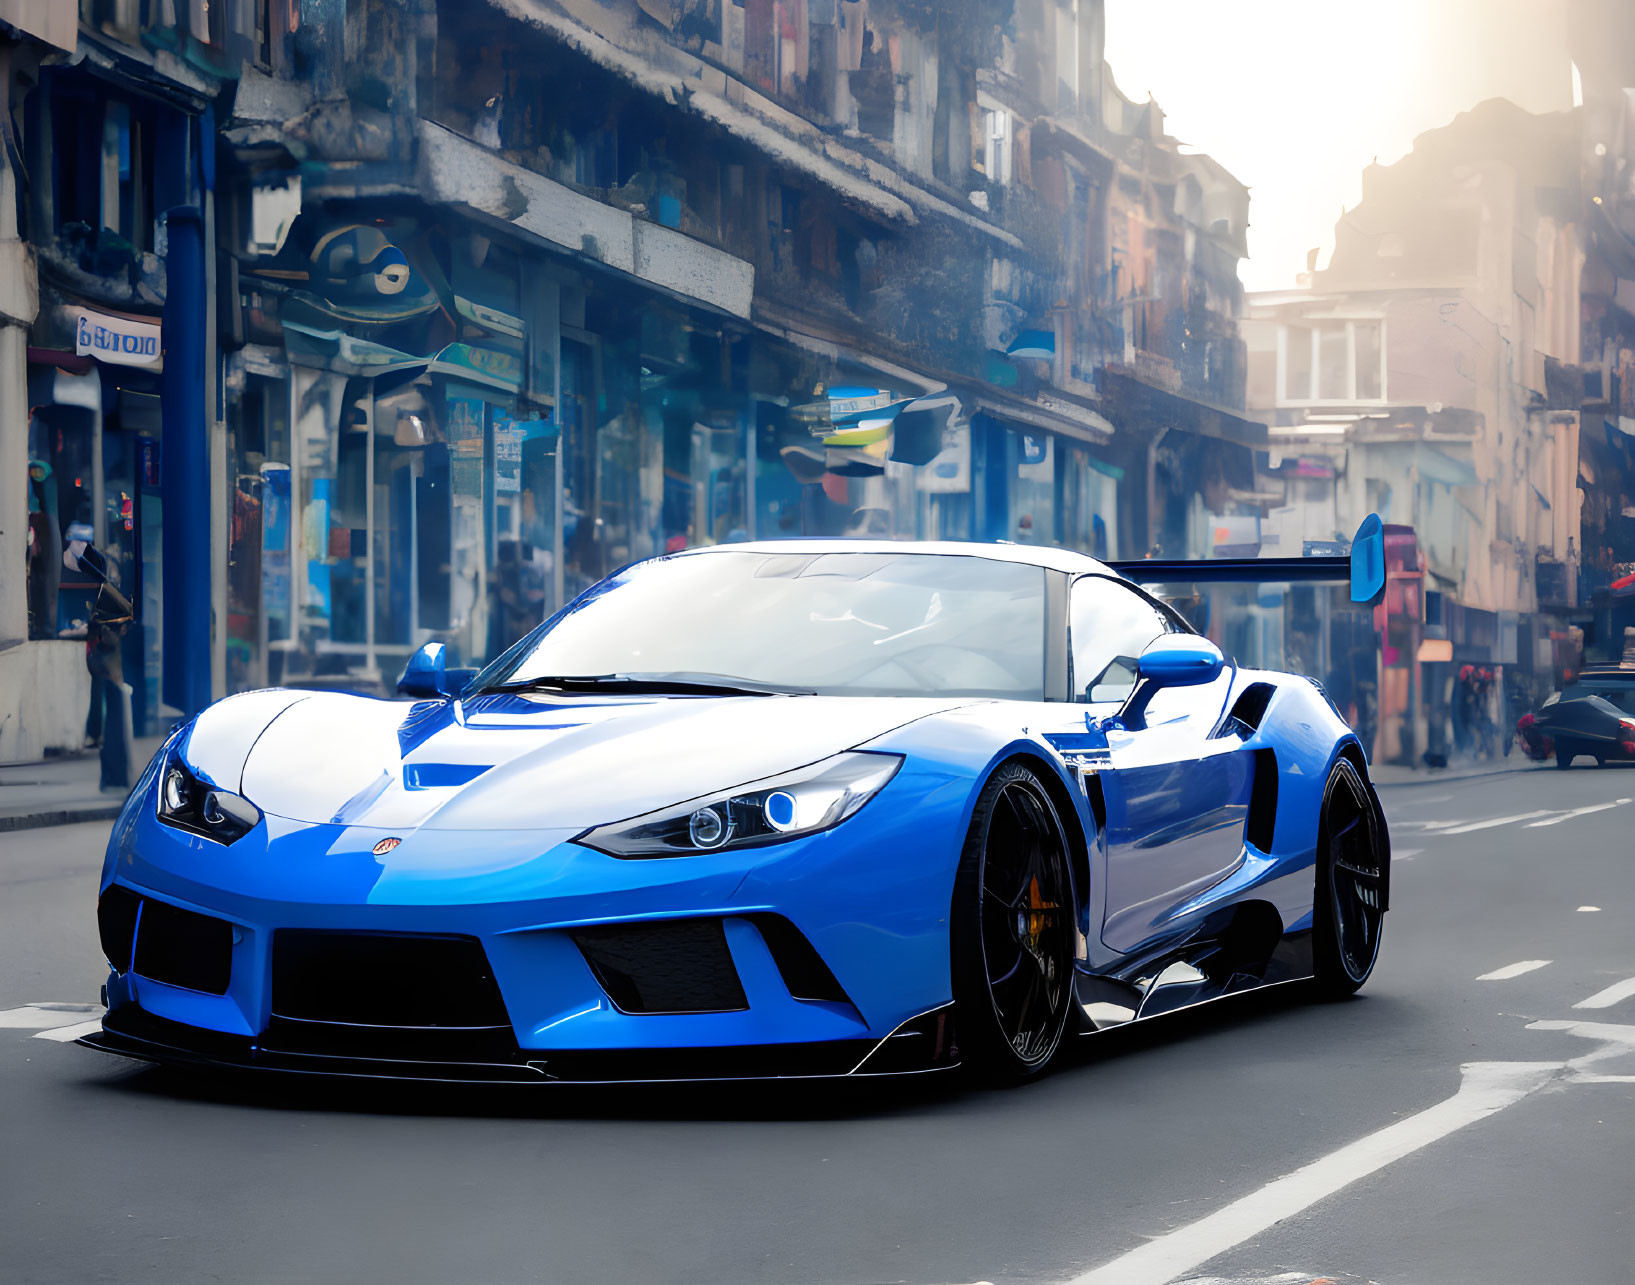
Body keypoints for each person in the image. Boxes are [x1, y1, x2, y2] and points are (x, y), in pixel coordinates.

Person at [67, 533, 134, 792]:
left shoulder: (109, 591)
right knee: (108, 712)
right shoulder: (109, 590)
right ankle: (108, 765)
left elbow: (105, 630)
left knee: (110, 713)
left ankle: (109, 768)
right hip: (108, 663)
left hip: (109, 664)